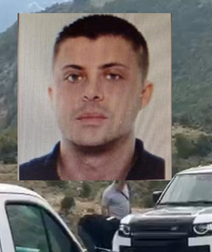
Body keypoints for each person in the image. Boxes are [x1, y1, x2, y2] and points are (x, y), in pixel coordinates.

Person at [18, 14, 165, 181]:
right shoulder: (25, 176)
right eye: (74, 77)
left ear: (144, 94)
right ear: (53, 95)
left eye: (112, 76)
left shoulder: (164, 174)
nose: (91, 92)